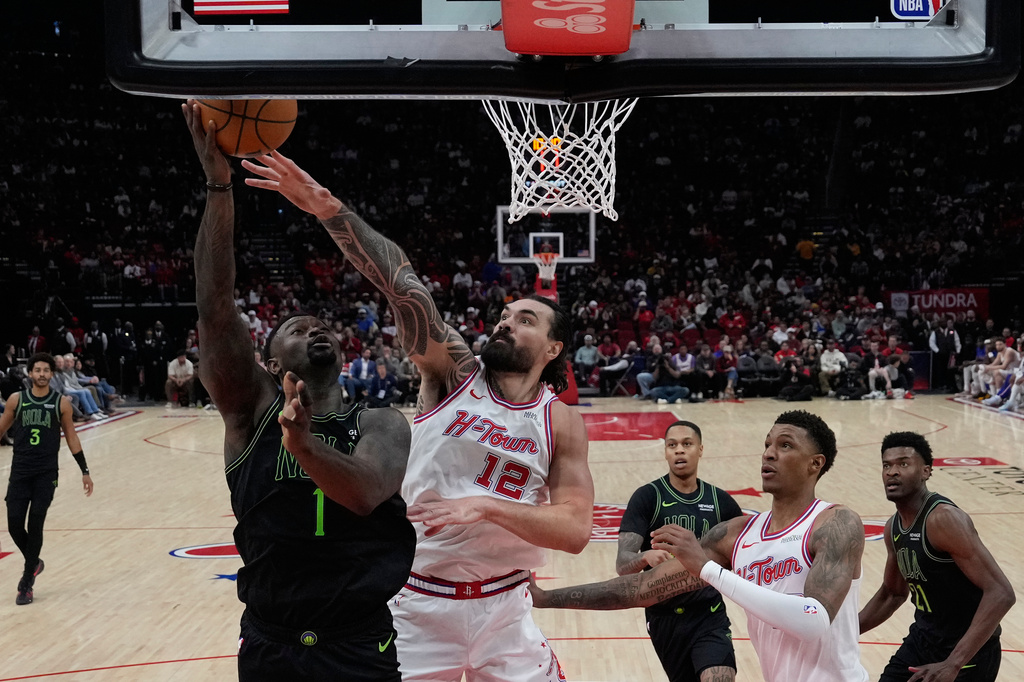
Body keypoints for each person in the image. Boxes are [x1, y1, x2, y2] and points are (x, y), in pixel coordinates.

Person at [242, 146, 594, 681]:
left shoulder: (560, 420)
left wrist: (486, 507)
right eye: (503, 315)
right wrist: (329, 209)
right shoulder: (455, 373)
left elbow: (574, 530)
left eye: (525, 319)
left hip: (506, 607)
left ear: (553, 349)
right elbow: (402, 286)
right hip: (417, 604)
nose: (504, 323)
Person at [183, 101, 415, 681]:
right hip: (271, 642)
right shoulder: (249, 408)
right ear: (265, 359)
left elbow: (364, 494)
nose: (313, 328)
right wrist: (218, 187)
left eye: (322, 327)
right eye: (295, 328)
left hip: (359, 643)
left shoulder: (382, 423)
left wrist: (305, 445)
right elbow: (214, 305)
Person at [529, 410, 869, 682]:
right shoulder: (737, 534)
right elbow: (641, 588)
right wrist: (544, 598)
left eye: (785, 445)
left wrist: (706, 569)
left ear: (816, 463)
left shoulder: (836, 523)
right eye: (767, 444)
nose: (768, 452)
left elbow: (812, 621)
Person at [859, 432, 1015, 681]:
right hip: (922, 641)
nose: (892, 472)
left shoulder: (943, 520)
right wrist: (844, 631)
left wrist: (953, 663)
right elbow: (893, 593)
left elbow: (1001, 593)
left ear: (926, 472)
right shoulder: (893, 527)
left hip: (967, 653)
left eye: (903, 463)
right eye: (887, 465)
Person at [617, 421, 744, 682]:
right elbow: (622, 563)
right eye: (672, 445)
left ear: (700, 449)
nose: (679, 451)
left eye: (687, 444)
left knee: (719, 677)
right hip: (664, 617)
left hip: (709, 614)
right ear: (665, 452)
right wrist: (645, 557)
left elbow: (744, 556)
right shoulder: (647, 497)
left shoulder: (721, 502)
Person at [0, 353, 94, 605]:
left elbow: (72, 437)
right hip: (20, 471)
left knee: (36, 523)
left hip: (46, 473)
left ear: (51, 374)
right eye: (37, 370)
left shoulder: (60, 403)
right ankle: (35, 562)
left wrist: (84, 470)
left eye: (46, 370)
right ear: (29, 373)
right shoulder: (16, 400)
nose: (41, 374)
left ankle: (26, 582)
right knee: (14, 525)